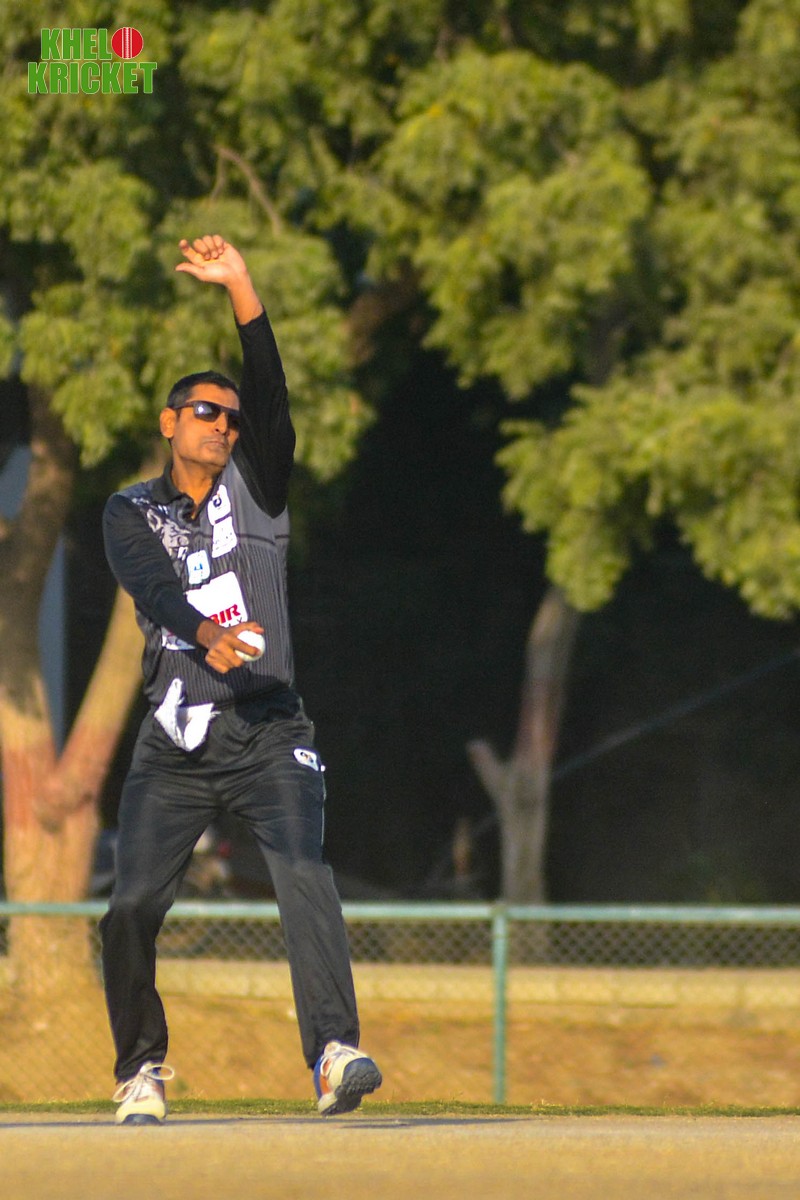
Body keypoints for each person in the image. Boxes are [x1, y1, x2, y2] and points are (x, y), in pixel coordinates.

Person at [100, 234, 381, 1125]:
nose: (222, 425)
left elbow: (271, 394)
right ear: (168, 423)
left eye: (229, 416)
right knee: (130, 908)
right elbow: (150, 587)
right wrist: (204, 634)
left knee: (303, 873)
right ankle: (140, 1069)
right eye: (204, 412)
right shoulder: (129, 509)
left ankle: (333, 1054)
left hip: (267, 731)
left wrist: (243, 289)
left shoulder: (258, 485)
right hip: (174, 742)